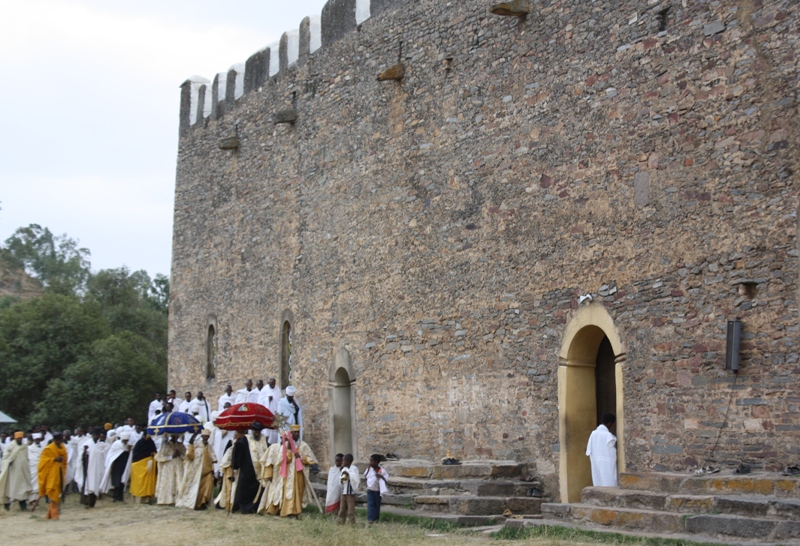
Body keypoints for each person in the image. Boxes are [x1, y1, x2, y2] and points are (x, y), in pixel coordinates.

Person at [259, 424, 318, 517]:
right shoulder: (285, 446)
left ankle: (296, 511)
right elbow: (281, 459)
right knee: (287, 492)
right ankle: (287, 511)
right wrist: (289, 450)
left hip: (299, 474)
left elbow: (312, 459)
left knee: (297, 491)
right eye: (293, 432)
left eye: (297, 432)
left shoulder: (303, 445)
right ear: (290, 433)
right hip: (287, 474)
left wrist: (301, 457)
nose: (295, 434)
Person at [232, 422, 267, 514]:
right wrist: (236, 445)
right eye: (255, 431)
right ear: (252, 431)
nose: (257, 433)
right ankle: (244, 507)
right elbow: (239, 452)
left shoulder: (264, 439)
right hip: (247, 468)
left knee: (258, 489)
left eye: (258, 432)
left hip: (260, 470)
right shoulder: (245, 439)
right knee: (245, 490)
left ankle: (254, 507)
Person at [176, 430, 216, 510]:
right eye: (204, 436)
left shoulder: (209, 446)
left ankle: (204, 502)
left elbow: (213, 457)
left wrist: (212, 467)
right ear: (202, 436)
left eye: (207, 436)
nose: (206, 438)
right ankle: (198, 504)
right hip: (198, 471)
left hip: (208, 471)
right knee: (198, 488)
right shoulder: (197, 446)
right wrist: (193, 438)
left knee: (207, 487)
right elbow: (190, 456)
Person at [37, 432, 67, 519]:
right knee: (51, 492)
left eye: (60, 440)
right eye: (58, 440)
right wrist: (53, 459)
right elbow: (42, 462)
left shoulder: (63, 448)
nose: (59, 442)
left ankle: (49, 515)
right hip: (51, 474)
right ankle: (55, 516)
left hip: (59, 473)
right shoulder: (48, 449)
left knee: (57, 493)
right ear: (54, 440)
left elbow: (65, 458)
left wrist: (62, 459)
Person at [0, 431, 31, 511]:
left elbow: (26, 457)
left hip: (22, 472)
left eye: (21, 438)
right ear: (15, 438)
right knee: (9, 488)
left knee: (22, 488)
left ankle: (23, 507)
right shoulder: (10, 446)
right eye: (18, 438)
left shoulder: (24, 447)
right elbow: (5, 457)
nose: (20, 440)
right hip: (13, 472)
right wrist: (9, 461)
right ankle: (7, 507)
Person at [586, 413, 618, 487]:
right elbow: (613, 442)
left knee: (598, 481)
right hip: (607, 464)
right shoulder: (608, 436)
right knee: (609, 482)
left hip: (595, 462)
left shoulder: (593, 434)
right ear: (610, 423)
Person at [100, 431, 132, 502]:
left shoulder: (127, 445)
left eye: (127, 440)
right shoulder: (116, 444)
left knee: (122, 481)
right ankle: (115, 496)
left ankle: (121, 497)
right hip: (116, 465)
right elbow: (112, 454)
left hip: (124, 465)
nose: (126, 442)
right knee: (116, 481)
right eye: (125, 440)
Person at [155, 434, 186, 505]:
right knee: (169, 482)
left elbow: (186, 456)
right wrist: (171, 456)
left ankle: (179, 500)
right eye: (173, 436)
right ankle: (167, 500)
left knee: (179, 481)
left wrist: (180, 454)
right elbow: (159, 457)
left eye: (176, 436)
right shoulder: (166, 445)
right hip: (168, 467)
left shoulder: (180, 445)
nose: (175, 437)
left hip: (179, 466)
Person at [129, 431, 157, 504]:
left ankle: (146, 499)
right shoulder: (139, 443)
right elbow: (136, 455)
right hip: (138, 465)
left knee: (147, 481)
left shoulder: (151, 443)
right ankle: (138, 499)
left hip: (148, 465)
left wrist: (152, 454)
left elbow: (154, 451)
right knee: (139, 482)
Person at [364, 454, 389, 524]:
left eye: (371, 461)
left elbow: (386, 480)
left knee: (377, 505)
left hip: (378, 491)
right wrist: (368, 468)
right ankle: (370, 519)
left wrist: (381, 477)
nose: (370, 462)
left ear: (376, 462)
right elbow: (365, 476)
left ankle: (376, 518)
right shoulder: (369, 469)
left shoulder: (382, 470)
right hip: (370, 490)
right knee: (371, 504)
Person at [338, 453, 360, 525]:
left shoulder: (354, 469)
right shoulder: (343, 469)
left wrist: (349, 474)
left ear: (348, 461)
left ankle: (352, 524)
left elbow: (356, 479)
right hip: (343, 493)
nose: (342, 462)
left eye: (343, 461)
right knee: (342, 510)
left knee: (351, 511)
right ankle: (341, 523)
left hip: (351, 493)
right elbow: (340, 481)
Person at [258, 378, 282, 444]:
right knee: (267, 432)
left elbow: (280, 401)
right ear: (268, 383)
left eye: (273, 384)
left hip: (275, 413)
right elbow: (260, 402)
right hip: (266, 414)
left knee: (275, 432)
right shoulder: (264, 390)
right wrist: (267, 399)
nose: (272, 385)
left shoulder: (278, 390)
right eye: (271, 384)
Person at [27, 432, 43, 503]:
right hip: (33, 467)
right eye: (36, 439)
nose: (38, 440)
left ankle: (36, 499)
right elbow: (30, 458)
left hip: (41, 467)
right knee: (32, 481)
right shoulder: (30, 448)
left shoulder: (43, 448)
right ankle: (30, 499)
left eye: (39, 439)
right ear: (34, 440)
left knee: (38, 482)